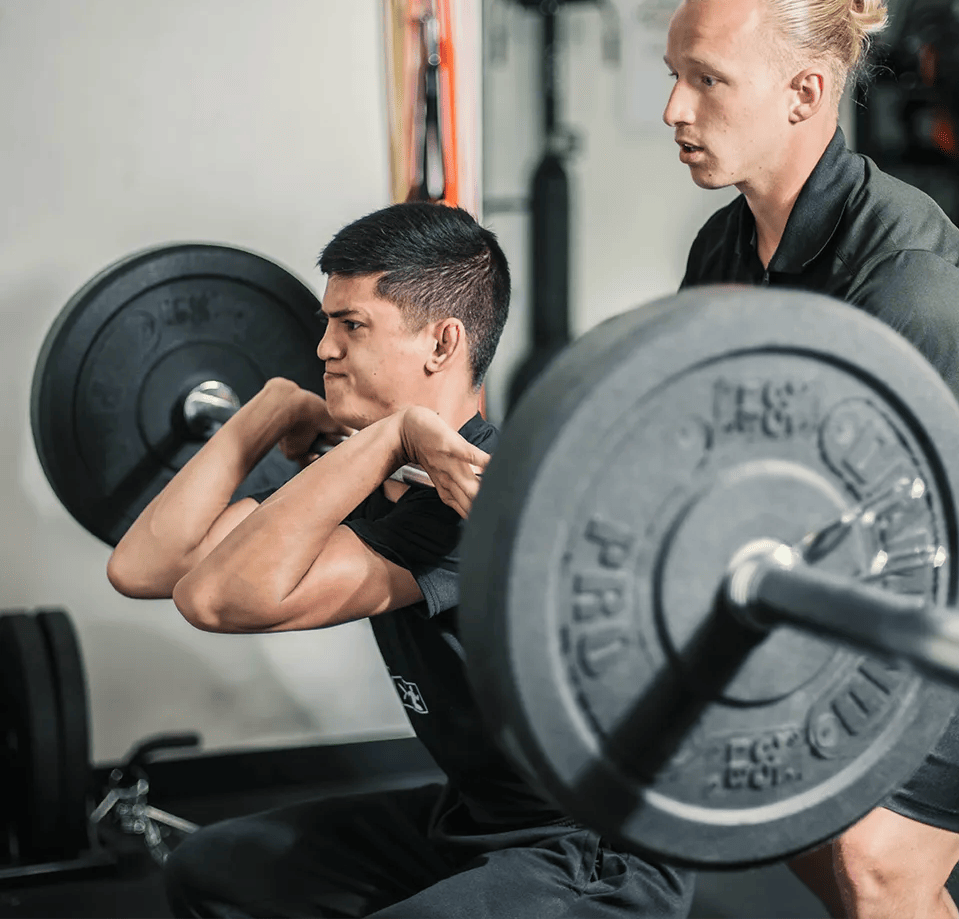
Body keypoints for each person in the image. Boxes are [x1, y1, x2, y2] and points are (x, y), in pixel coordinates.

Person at [106, 201, 695, 918]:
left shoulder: (478, 491)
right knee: (212, 869)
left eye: (352, 326)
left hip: (590, 850)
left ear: (442, 344)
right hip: (473, 819)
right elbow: (144, 569)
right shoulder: (362, 468)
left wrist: (391, 439)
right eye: (327, 323)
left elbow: (220, 600)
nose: (324, 348)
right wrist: (265, 410)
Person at [662, 0, 959, 919]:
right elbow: (711, 438)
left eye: (707, 80)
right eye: (673, 75)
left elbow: (937, 547)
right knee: (747, 789)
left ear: (807, 91)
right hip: (848, 585)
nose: (674, 110)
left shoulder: (908, 283)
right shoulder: (728, 246)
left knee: (866, 854)